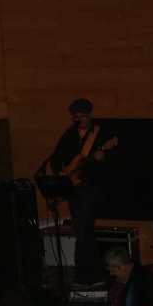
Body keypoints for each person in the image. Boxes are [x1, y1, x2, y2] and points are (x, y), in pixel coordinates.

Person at [48, 98, 117, 288]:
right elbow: (55, 159)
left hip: (93, 189)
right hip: (73, 190)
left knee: (82, 228)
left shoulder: (102, 135)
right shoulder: (69, 134)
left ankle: (84, 274)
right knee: (84, 231)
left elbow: (114, 163)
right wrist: (60, 172)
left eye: (84, 116)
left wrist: (103, 158)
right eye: (76, 117)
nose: (80, 120)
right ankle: (93, 275)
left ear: (91, 114)